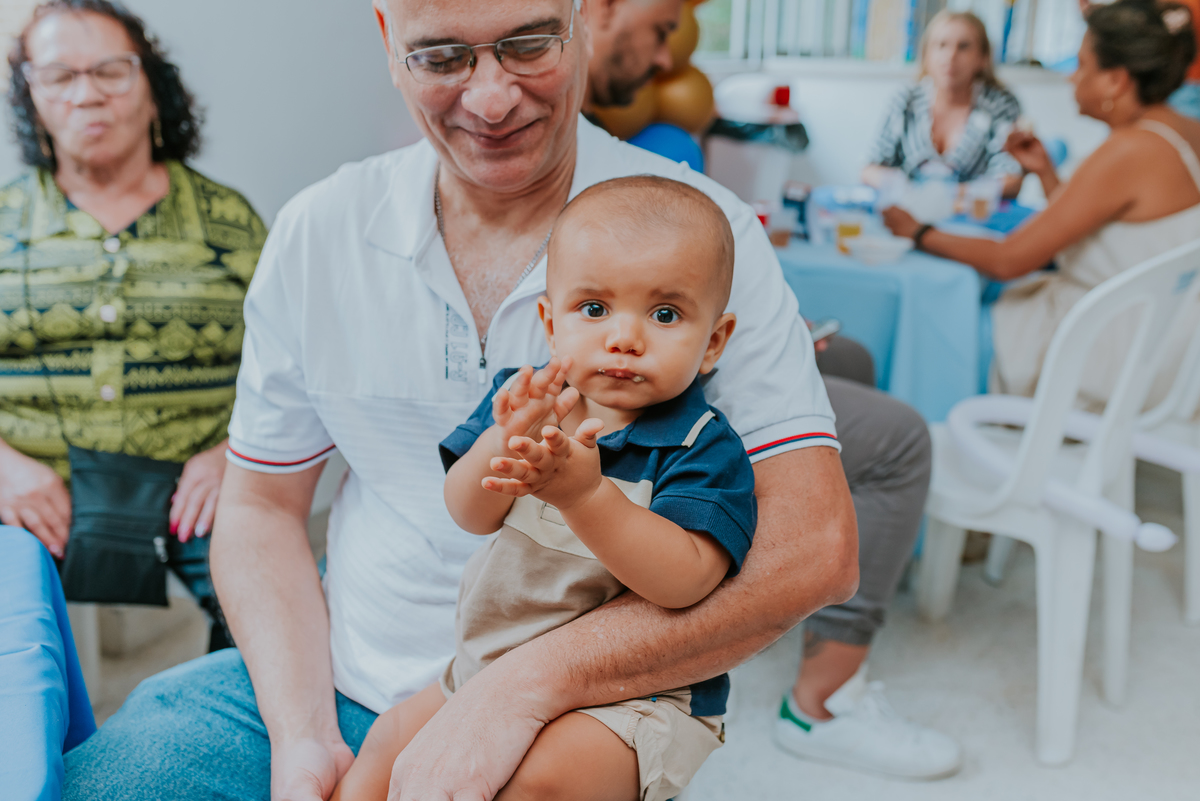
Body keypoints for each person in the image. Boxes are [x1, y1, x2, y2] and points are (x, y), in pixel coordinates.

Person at [62, 1, 859, 799]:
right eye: (441, 56)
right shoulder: (318, 233)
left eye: (529, 42)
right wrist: (302, 736)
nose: (490, 99)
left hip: (590, 695)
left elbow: (814, 549)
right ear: (387, 41)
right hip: (336, 674)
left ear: (582, 19)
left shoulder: (697, 236)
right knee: (104, 780)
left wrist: (518, 690)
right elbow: (262, 508)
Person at [583, 0, 961, 780]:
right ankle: (823, 702)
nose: (666, 60)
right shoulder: (589, 164)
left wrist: (781, 334)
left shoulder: (622, 153)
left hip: (693, 332)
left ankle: (771, 573)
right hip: (651, 382)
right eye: (661, 31)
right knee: (899, 440)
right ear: (599, 8)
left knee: (848, 355)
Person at [335, 176, 756, 801]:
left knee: (537, 781)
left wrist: (586, 498)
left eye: (665, 314)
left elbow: (685, 581)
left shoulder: (699, 444)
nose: (624, 337)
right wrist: (500, 440)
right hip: (489, 671)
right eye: (594, 309)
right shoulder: (528, 402)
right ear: (550, 323)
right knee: (388, 747)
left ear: (712, 342)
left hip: (634, 696)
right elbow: (468, 513)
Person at [0, 0, 265, 651]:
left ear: (152, 87)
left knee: (272, 609)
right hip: (26, 487)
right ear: (31, 98)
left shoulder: (230, 222)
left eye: (110, 72)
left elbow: (297, 363)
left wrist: (236, 452)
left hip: (195, 487)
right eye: (60, 76)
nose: (87, 95)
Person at [884, 0, 1199, 411]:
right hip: (1168, 344)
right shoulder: (1182, 131)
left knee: (947, 322)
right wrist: (1046, 174)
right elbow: (1115, 230)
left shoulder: (1130, 149)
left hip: (1111, 351)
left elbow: (1007, 259)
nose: (1071, 78)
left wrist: (917, 232)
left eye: (1082, 64)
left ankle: (923, 442)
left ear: (1116, 81)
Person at [863, 10, 1024, 199]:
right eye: (941, 45)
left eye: (963, 47)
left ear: (983, 58)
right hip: (909, 215)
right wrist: (905, 190)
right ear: (926, 55)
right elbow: (870, 169)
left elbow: (1011, 180)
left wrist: (950, 196)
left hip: (973, 220)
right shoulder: (906, 100)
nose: (951, 56)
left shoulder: (1000, 104)